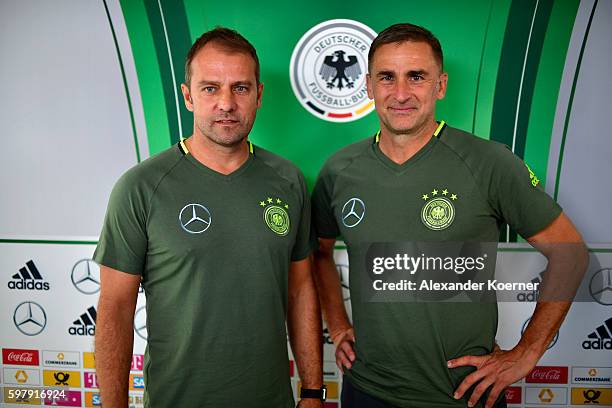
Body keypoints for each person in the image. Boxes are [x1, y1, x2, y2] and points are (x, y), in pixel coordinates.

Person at [311, 23, 587, 408]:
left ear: (440, 85)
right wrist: (338, 327)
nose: (401, 93)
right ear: (369, 87)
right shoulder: (340, 170)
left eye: (417, 77)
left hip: (463, 395)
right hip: (367, 391)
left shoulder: (489, 162)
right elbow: (319, 252)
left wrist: (526, 352)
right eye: (387, 78)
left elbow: (570, 253)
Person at [94, 27, 325, 408]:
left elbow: (300, 289)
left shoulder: (288, 180)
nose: (226, 103)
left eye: (240, 88)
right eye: (210, 88)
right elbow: (115, 308)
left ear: (259, 95)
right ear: (187, 96)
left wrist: (313, 392)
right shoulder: (140, 187)